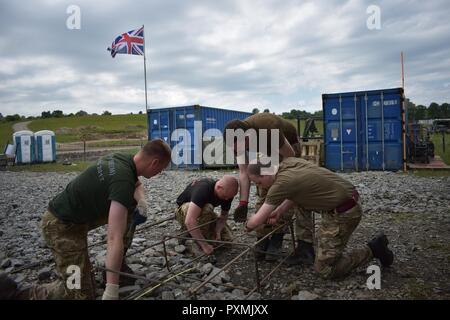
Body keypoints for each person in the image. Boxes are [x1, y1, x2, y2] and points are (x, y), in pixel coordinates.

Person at [1, 139, 171, 300]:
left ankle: (113, 269)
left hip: (78, 219)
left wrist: (142, 202)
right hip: (61, 227)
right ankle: (18, 294)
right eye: (161, 169)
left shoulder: (124, 159)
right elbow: (113, 238)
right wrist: (111, 290)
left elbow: (136, 184)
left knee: (132, 206)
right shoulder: (122, 181)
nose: (159, 173)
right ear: (154, 163)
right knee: (78, 293)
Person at [245, 158, 394, 279]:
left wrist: (247, 225)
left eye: (258, 182)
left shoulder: (281, 183)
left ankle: (373, 249)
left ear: (265, 174)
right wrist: (280, 210)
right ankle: (308, 249)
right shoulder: (288, 163)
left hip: (345, 213)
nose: (260, 186)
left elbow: (257, 220)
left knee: (325, 270)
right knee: (301, 204)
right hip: (345, 200)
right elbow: (296, 192)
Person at [224, 113, 313, 261]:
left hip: (288, 147)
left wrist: (279, 183)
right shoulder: (235, 141)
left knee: (283, 190)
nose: (238, 150)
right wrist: (243, 202)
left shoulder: (268, 126)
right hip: (267, 150)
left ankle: (277, 237)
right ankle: (263, 237)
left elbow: (289, 158)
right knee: (263, 188)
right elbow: (244, 172)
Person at [175, 176, 238, 255]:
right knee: (208, 208)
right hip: (184, 212)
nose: (226, 199)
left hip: (203, 214)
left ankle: (200, 236)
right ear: (219, 187)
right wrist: (204, 245)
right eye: (225, 197)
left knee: (227, 240)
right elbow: (190, 221)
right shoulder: (203, 189)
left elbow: (223, 217)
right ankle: (190, 238)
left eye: (229, 197)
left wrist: (218, 232)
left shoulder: (227, 195)